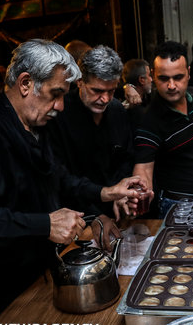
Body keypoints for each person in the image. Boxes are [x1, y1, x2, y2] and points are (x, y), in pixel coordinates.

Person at [0, 39, 147, 320]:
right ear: (25, 83)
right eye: (56, 93)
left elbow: (59, 179)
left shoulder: (34, 125)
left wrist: (106, 192)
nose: (61, 106)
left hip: (34, 271)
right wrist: (44, 224)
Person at [46, 45, 134, 244]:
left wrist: (121, 194)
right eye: (97, 91)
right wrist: (94, 215)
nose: (105, 99)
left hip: (117, 214)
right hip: (75, 219)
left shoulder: (117, 110)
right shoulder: (58, 114)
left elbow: (126, 157)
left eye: (111, 91)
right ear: (79, 82)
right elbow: (61, 177)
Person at [133, 41, 193, 218]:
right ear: (153, 76)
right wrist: (141, 193)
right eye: (164, 79)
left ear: (188, 74)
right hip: (181, 209)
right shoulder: (150, 120)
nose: (171, 85)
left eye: (177, 77)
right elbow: (143, 169)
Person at [120, 58, 153, 131]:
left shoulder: (147, 99)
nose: (151, 79)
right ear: (142, 80)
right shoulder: (135, 113)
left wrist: (126, 86)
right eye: (149, 75)